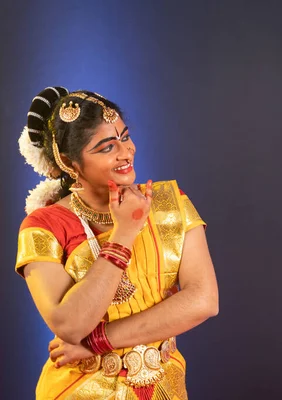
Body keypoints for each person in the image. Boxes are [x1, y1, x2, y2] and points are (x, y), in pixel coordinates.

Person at [15, 87, 219, 399]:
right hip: (80, 389)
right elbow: (69, 325)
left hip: (165, 385)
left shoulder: (169, 204)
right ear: (71, 163)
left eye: (124, 136)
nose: (126, 152)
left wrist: (96, 341)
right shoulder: (44, 226)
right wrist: (124, 234)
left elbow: (203, 301)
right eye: (107, 147)